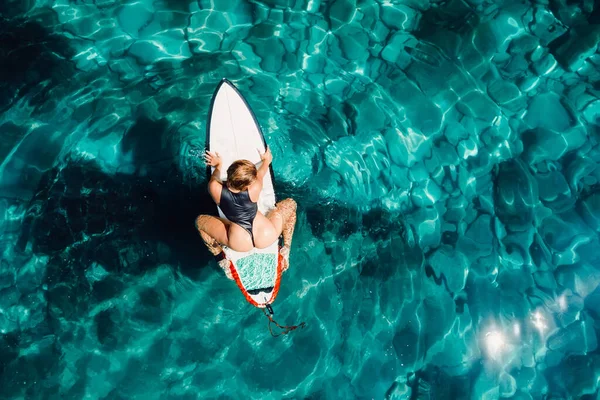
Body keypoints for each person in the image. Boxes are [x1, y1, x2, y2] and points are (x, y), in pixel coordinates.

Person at [195, 146, 297, 279]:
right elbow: (261, 173)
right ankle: (286, 248)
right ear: (248, 183)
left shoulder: (215, 188)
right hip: (266, 235)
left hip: (239, 242)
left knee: (200, 222)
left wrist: (218, 164)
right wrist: (266, 161)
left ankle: (222, 259)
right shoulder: (255, 187)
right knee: (291, 204)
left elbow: (215, 177)